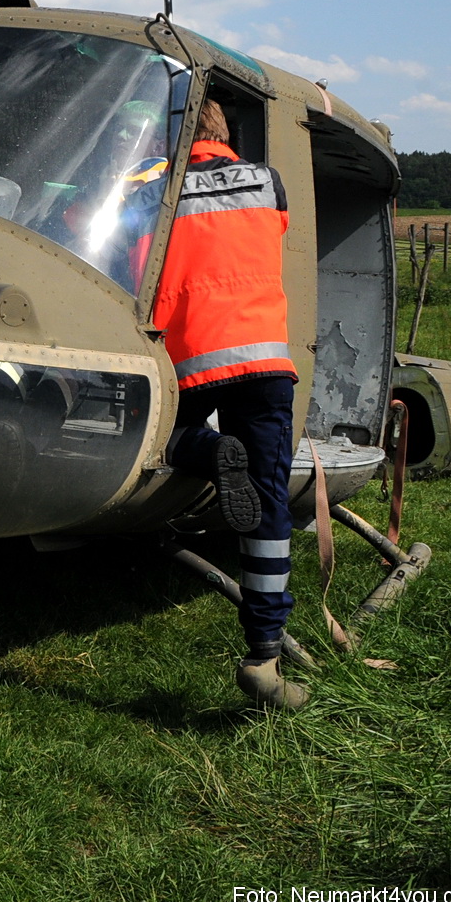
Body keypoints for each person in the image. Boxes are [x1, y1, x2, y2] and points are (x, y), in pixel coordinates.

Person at [148, 98, 305, 709]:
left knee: (165, 441)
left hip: (193, 365)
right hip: (267, 363)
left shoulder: (157, 191)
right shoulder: (269, 182)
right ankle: (264, 653)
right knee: (269, 501)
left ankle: (213, 453)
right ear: (227, 134)